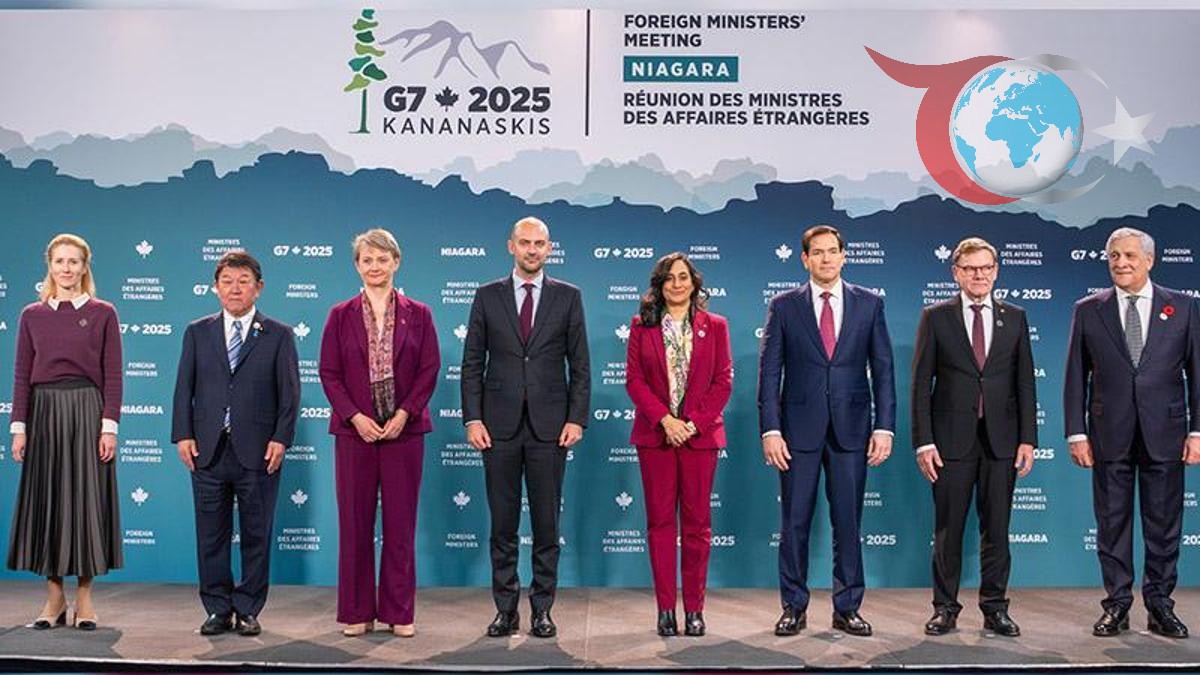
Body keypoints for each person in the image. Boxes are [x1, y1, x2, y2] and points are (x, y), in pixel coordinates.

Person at [757, 224, 895, 638]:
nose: (826, 258)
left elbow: (884, 371)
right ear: (805, 259)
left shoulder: (869, 304)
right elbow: (769, 374)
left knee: (848, 523)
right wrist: (771, 430)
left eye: (832, 251)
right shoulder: (784, 306)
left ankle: (847, 607)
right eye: (817, 252)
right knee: (794, 522)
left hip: (852, 430)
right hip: (797, 432)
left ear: (844, 255)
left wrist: (885, 427)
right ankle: (793, 607)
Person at [1064, 226, 1200, 639]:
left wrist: (1197, 431)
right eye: (1114, 256)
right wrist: (1076, 433)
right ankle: (1117, 605)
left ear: (1149, 261)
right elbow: (1075, 376)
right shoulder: (1089, 309)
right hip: (1108, 434)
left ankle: (1160, 606)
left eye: (1129, 256)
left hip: (1166, 434)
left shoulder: (1183, 307)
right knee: (1112, 525)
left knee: (1164, 526)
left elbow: (1197, 374)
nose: (1121, 263)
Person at [461, 216, 590, 639]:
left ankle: (542, 610)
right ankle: (505, 610)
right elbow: (472, 362)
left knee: (547, 526)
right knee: (503, 525)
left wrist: (576, 418)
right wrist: (473, 418)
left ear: (549, 248)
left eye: (539, 243)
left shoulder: (569, 296)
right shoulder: (486, 295)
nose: (532, 249)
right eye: (525, 242)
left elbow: (581, 365)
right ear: (510, 246)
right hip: (496, 427)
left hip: (550, 428)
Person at [911, 237, 1036, 637]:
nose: (979, 275)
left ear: (996, 271)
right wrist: (924, 441)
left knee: (997, 530)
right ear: (956, 273)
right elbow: (920, 384)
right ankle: (945, 608)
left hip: (1002, 442)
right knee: (948, 531)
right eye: (970, 268)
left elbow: (1025, 382)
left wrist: (1028, 439)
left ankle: (995, 608)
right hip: (950, 442)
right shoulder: (936, 317)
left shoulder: (1015, 317)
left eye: (985, 267)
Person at [319, 228, 440, 638]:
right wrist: (355, 417)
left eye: (382, 259)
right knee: (355, 526)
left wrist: (406, 412)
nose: (375, 266)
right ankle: (356, 612)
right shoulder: (339, 315)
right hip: (355, 434)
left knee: (400, 526)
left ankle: (399, 612)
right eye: (367, 260)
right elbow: (329, 373)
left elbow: (429, 369)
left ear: (396, 262)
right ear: (357, 266)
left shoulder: (419, 314)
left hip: (404, 433)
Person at [171, 250, 300, 637]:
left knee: (257, 534)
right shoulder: (197, 332)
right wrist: (183, 434)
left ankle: (247, 608)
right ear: (215, 288)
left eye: (244, 281)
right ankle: (217, 607)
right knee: (210, 534)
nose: (235, 288)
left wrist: (281, 438)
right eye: (227, 281)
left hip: (258, 450)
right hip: (207, 449)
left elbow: (290, 394)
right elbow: (184, 388)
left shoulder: (278, 334)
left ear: (259, 288)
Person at [7, 233, 122, 631]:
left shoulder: (104, 313)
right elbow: (21, 375)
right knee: (48, 501)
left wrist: (109, 427)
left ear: (84, 266)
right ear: (50, 265)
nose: (67, 268)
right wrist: (19, 428)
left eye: (74, 261)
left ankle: (85, 599)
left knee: (87, 502)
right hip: (43, 413)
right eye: (60, 261)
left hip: (87, 411)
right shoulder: (32, 315)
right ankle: (54, 597)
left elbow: (113, 374)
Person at [625, 253, 732, 637]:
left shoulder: (715, 326)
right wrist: (665, 421)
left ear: (694, 283)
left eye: (683, 277)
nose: (677, 284)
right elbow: (634, 381)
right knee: (660, 524)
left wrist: (691, 424)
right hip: (656, 437)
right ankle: (666, 610)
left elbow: (723, 382)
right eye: (669, 278)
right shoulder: (642, 326)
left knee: (698, 525)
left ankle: (695, 610)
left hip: (699, 439)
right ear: (659, 284)